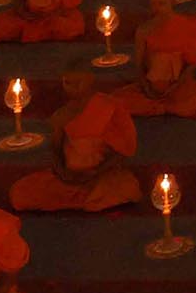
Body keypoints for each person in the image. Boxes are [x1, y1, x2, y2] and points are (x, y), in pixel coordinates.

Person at [9, 67, 139, 213]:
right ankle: (81, 198)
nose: (73, 88)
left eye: (79, 82)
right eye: (68, 83)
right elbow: (56, 151)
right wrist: (64, 174)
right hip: (69, 178)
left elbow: (123, 151)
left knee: (127, 188)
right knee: (20, 193)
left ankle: (84, 197)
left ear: (90, 80)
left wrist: (97, 171)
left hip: (101, 175)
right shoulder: (62, 114)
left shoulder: (109, 107)